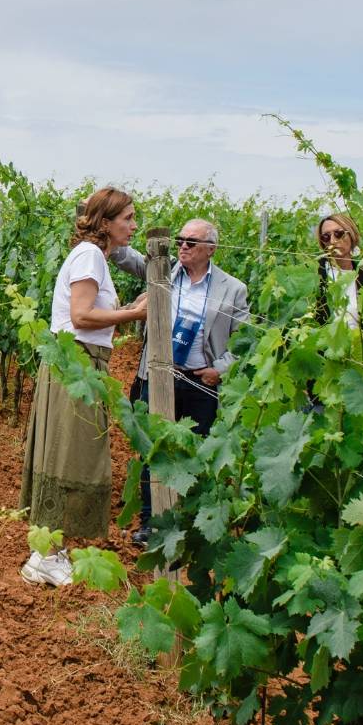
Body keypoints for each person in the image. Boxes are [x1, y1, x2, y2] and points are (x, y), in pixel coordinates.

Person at [19, 187, 147, 587]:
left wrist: (128, 310)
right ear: (105, 223)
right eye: (127, 218)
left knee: (66, 453)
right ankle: (45, 556)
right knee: (68, 455)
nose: (134, 225)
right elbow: (81, 315)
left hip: (77, 363)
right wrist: (134, 314)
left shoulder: (94, 257)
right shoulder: (90, 255)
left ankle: (46, 551)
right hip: (76, 365)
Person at [112, 219, 248, 547]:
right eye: (180, 240)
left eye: (191, 242)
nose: (183, 246)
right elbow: (124, 256)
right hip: (159, 375)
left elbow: (244, 342)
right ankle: (151, 523)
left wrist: (219, 370)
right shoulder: (164, 271)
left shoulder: (233, 289)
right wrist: (104, 225)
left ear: (211, 249)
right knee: (154, 450)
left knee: (193, 452)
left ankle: (184, 525)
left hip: (201, 382)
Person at [313, 212, 363, 331]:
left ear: (352, 235)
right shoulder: (313, 274)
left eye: (338, 234)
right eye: (326, 237)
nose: (333, 241)